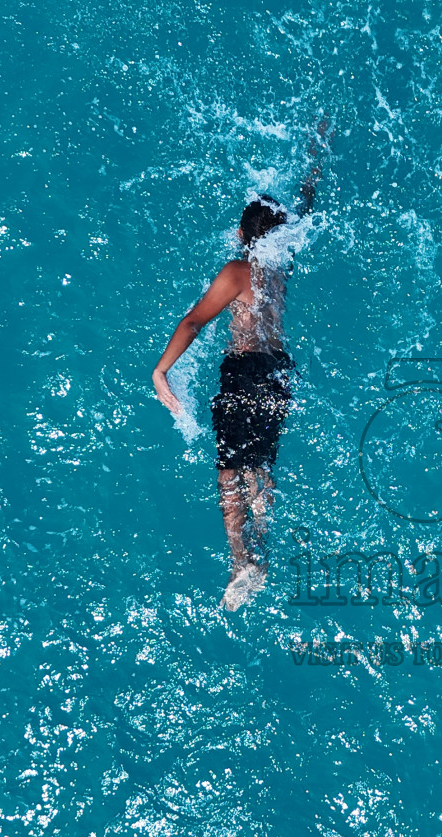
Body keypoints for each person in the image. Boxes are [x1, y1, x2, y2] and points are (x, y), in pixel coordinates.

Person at [153, 120, 331, 610]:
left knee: (230, 472)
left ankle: (241, 560)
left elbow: (192, 323)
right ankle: (262, 548)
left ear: (241, 234)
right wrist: (314, 164)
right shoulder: (280, 265)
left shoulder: (239, 270)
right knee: (261, 467)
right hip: (278, 373)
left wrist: (160, 370)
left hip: (247, 370)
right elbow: (303, 214)